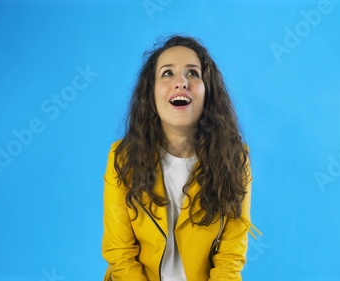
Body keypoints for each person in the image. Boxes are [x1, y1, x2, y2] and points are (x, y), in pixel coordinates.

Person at [102, 35, 259, 281]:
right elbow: (120, 254)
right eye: (167, 73)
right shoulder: (121, 159)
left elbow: (230, 259)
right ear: (150, 93)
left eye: (193, 73)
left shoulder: (235, 160)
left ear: (208, 92)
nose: (181, 82)